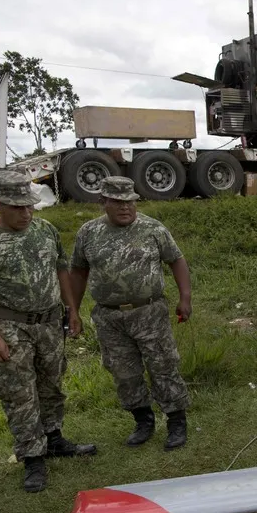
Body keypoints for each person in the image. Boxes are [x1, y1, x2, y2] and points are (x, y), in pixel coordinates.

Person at [0, 170, 95, 492]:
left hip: (48, 323)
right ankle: (32, 456)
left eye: (29, 206)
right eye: (17, 208)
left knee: (51, 384)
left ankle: (55, 438)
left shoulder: (45, 230)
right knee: (19, 394)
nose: (26, 213)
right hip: (8, 326)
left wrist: (72, 309)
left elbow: (61, 270)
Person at [70, 176, 193, 450]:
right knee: (124, 373)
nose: (126, 208)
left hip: (149, 312)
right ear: (103, 202)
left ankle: (176, 421)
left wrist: (185, 297)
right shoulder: (88, 233)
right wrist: (73, 310)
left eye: (130, 202)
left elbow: (176, 260)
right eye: (117, 202)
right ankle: (143, 421)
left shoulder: (153, 228)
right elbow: (78, 272)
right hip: (109, 318)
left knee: (163, 366)